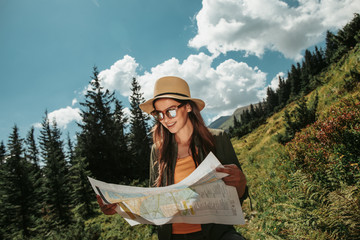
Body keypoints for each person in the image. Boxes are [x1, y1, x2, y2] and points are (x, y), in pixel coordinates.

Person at [97, 76, 248, 240]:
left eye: (171, 111)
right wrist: (119, 208)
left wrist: (241, 183)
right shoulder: (157, 151)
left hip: (217, 234)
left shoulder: (217, 139)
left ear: (188, 107)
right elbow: (154, 204)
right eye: (159, 114)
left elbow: (239, 195)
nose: (166, 119)